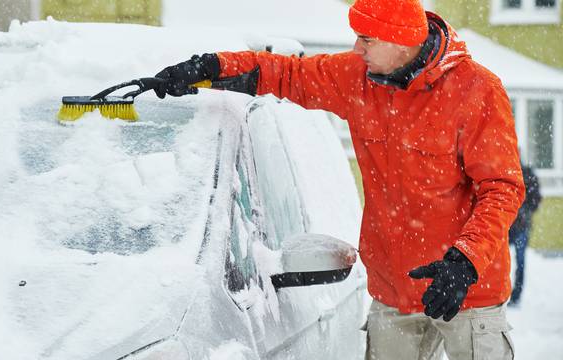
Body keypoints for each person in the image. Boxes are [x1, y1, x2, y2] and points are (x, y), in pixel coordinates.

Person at [153, 0, 525, 358]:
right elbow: (282, 74)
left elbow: (502, 189)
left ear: (401, 41)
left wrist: (465, 261)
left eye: (367, 39)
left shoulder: (476, 90)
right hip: (394, 290)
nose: (357, 48)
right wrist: (211, 67)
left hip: (466, 289)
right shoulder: (358, 78)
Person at [508, 162, 541, 306]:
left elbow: (536, 199)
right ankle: (498, 293)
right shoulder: (506, 170)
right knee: (497, 260)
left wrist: (524, 211)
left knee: (520, 262)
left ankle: (516, 296)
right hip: (507, 225)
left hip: (521, 227)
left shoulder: (527, 174)